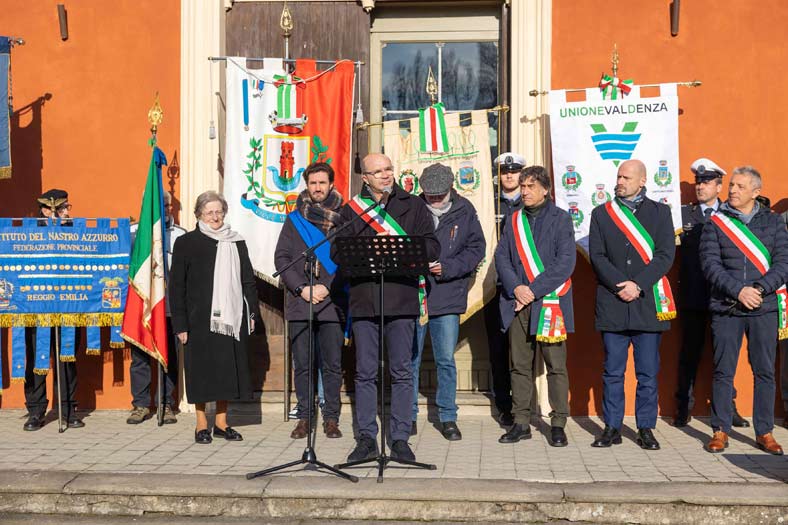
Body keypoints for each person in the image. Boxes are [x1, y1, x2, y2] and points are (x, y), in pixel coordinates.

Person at [336, 153, 440, 463]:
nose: (385, 175)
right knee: (365, 372)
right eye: (377, 172)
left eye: (388, 169)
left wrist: (402, 249)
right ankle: (367, 437)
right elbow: (338, 252)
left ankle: (399, 439)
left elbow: (432, 246)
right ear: (365, 178)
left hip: (401, 297)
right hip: (366, 300)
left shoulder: (414, 205)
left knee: (401, 371)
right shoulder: (352, 211)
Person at [700, 166, 788, 455]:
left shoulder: (774, 223)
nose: (732, 190)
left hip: (763, 308)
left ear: (756, 192)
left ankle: (764, 432)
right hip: (727, 306)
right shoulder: (716, 222)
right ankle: (720, 429)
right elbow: (710, 265)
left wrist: (760, 290)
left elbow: (783, 264)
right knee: (723, 370)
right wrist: (738, 290)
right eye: (731, 186)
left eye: (739, 186)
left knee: (764, 371)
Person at [589, 159, 676, 450]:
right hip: (613, 303)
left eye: (626, 177)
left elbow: (665, 256)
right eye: (618, 176)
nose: (620, 181)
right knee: (612, 371)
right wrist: (621, 285)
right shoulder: (601, 214)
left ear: (642, 181)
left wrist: (638, 284)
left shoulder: (661, 213)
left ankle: (646, 428)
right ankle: (612, 426)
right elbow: (598, 256)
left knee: (647, 372)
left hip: (647, 303)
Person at [495, 165, 576, 447]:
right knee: (518, 365)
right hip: (518, 302)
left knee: (556, 366)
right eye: (523, 186)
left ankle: (557, 423)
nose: (524, 191)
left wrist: (532, 290)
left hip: (549, 302)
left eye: (530, 186)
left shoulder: (561, 219)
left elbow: (564, 263)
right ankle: (521, 422)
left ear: (545, 189)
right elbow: (501, 257)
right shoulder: (513, 219)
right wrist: (517, 288)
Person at [169, 191, 257, 444]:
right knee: (201, 372)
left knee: (226, 371)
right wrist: (181, 323)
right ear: (199, 215)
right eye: (209, 212)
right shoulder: (186, 243)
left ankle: (221, 423)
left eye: (219, 211)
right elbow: (177, 287)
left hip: (231, 318)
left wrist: (251, 314)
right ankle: (200, 424)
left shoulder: (236, 242)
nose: (215, 217)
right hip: (198, 321)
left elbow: (247, 280)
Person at [410, 163, 485, 441]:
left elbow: (477, 248)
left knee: (445, 360)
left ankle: (448, 417)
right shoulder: (412, 207)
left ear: (450, 189)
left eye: (439, 195)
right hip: (415, 294)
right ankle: (407, 416)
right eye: (429, 195)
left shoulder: (465, 210)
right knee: (411, 359)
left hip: (448, 293)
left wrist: (449, 267)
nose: (434, 200)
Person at [673, 158, 749, 428]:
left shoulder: (731, 214)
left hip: (724, 297)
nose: (700, 187)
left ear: (719, 186)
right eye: (697, 182)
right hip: (694, 295)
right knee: (689, 353)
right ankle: (683, 407)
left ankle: (728, 407)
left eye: (706, 182)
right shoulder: (684, 215)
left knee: (724, 355)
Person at [275, 162, 346, 440]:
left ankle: (331, 418)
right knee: (303, 364)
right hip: (300, 302)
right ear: (307, 185)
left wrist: (327, 288)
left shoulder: (344, 217)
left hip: (332, 302)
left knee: (332, 365)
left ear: (331, 184)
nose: (317, 188)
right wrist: (302, 288)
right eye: (313, 183)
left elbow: (346, 259)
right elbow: (282, 258)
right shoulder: (294, 219)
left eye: (322, 183)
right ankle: (304, 417)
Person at [23, 189, 83, 431]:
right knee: (37, 361)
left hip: (69, 306)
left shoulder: (76, 233)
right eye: (63, 208)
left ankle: (68, 409)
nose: (68, 211)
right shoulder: (29, 234)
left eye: (68, 207)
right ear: (48, 210)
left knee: (66, 359)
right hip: (36, 307)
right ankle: (36, 410)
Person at [127, 191, 186, 425]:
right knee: (140, 357)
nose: (160, 208)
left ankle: (166, 404)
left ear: (170, 207)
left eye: (164, 204)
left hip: (169, 305)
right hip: (140, 305)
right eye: (152, 204)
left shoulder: (180, 236)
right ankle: (141, 405)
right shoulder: (131, 233)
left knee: (168, 357)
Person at [483, 152, 526, 427]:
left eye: (514, 171)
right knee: (498, 349)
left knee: (523, 350)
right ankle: (504, 404)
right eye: (504, 172)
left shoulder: (532, 203)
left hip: (524, 288)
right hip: (495, 285)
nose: (509, 175)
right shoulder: (489, 203)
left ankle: (524, 403)